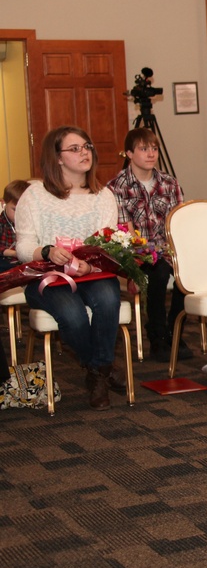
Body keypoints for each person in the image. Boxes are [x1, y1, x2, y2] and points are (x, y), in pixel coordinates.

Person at [15, 127, 124, 410]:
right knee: (73, 315)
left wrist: (91, 263)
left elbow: (107, 243)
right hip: (47, 276)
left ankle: (97, 373)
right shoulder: (35, 195)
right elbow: (24, 247)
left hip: (91, 271)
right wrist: (47, 251)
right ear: (58, 158)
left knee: (109, 299)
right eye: (74, 148)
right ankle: (100, 369)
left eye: (86, 146)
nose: (84, 152)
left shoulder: (103, 196)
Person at [107, 128, 189, 362]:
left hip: (167, 248)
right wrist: (144, 253)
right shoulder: (117, 186)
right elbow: (125, 231)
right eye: (144, 149)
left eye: (154, 148)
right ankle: (157, 335)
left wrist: (175, 251)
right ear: (130, 153)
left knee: (186, 271)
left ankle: (175, 331)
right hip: (137, 253)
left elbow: (178, 222)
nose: (151, 153)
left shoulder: (169, 183)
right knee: (159, 271)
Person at [0, 179, 29, 273]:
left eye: (23, 210)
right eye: (15, 209)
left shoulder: (29, 223)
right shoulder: (1, 223)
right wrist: (14, 253)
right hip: (4, 261)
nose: (19, 215)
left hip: (22, 262)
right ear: (3, 203)